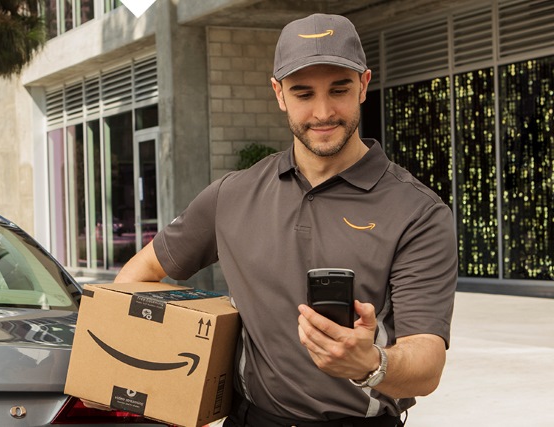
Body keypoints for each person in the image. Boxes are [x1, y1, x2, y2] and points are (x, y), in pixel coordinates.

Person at [114, 13, 458, 427]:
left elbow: (427, 364)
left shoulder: (418, 211)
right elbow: (138, 275)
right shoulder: (232, 195)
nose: (323, 111)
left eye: (339, 89)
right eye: (302, 93)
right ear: (278, 94)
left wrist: (372, 363)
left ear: (364, 85)